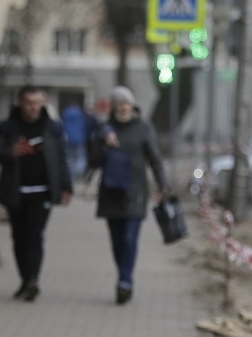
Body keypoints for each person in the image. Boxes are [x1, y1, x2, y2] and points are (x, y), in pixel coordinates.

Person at [0, 86, 73, 301]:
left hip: (42, 192)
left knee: (35, 235)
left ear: (43, 103)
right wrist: (12, 152)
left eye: (38, 102)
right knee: (19, 237)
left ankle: (33, 279)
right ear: (20, 103)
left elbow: (62, 158)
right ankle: (26, 280)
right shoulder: (8, 127)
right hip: (16, 191)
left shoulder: (52, 128)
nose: (34, 107)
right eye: (29, 102)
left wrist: (66, 187)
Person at [94, 86, 171, 305]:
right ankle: (123, 275)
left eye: (126, 104)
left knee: (130, 238)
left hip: (136, 192)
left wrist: (162, 183)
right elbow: (94, 161)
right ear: (114, 107)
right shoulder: (105, 129)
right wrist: (102, 144)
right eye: (119, 104)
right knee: (117, 241)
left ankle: (125, 281)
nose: (123, 108)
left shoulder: (143, 128)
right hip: (111, 193)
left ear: (132, 106)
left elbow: (155, 158)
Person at [60, 99, 97, 181]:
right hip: (80, 140)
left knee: (69, 158)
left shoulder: (65, 114)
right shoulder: (81, 115)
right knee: (80, 157)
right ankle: (79, 173)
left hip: (68, 140)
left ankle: (72, 176)